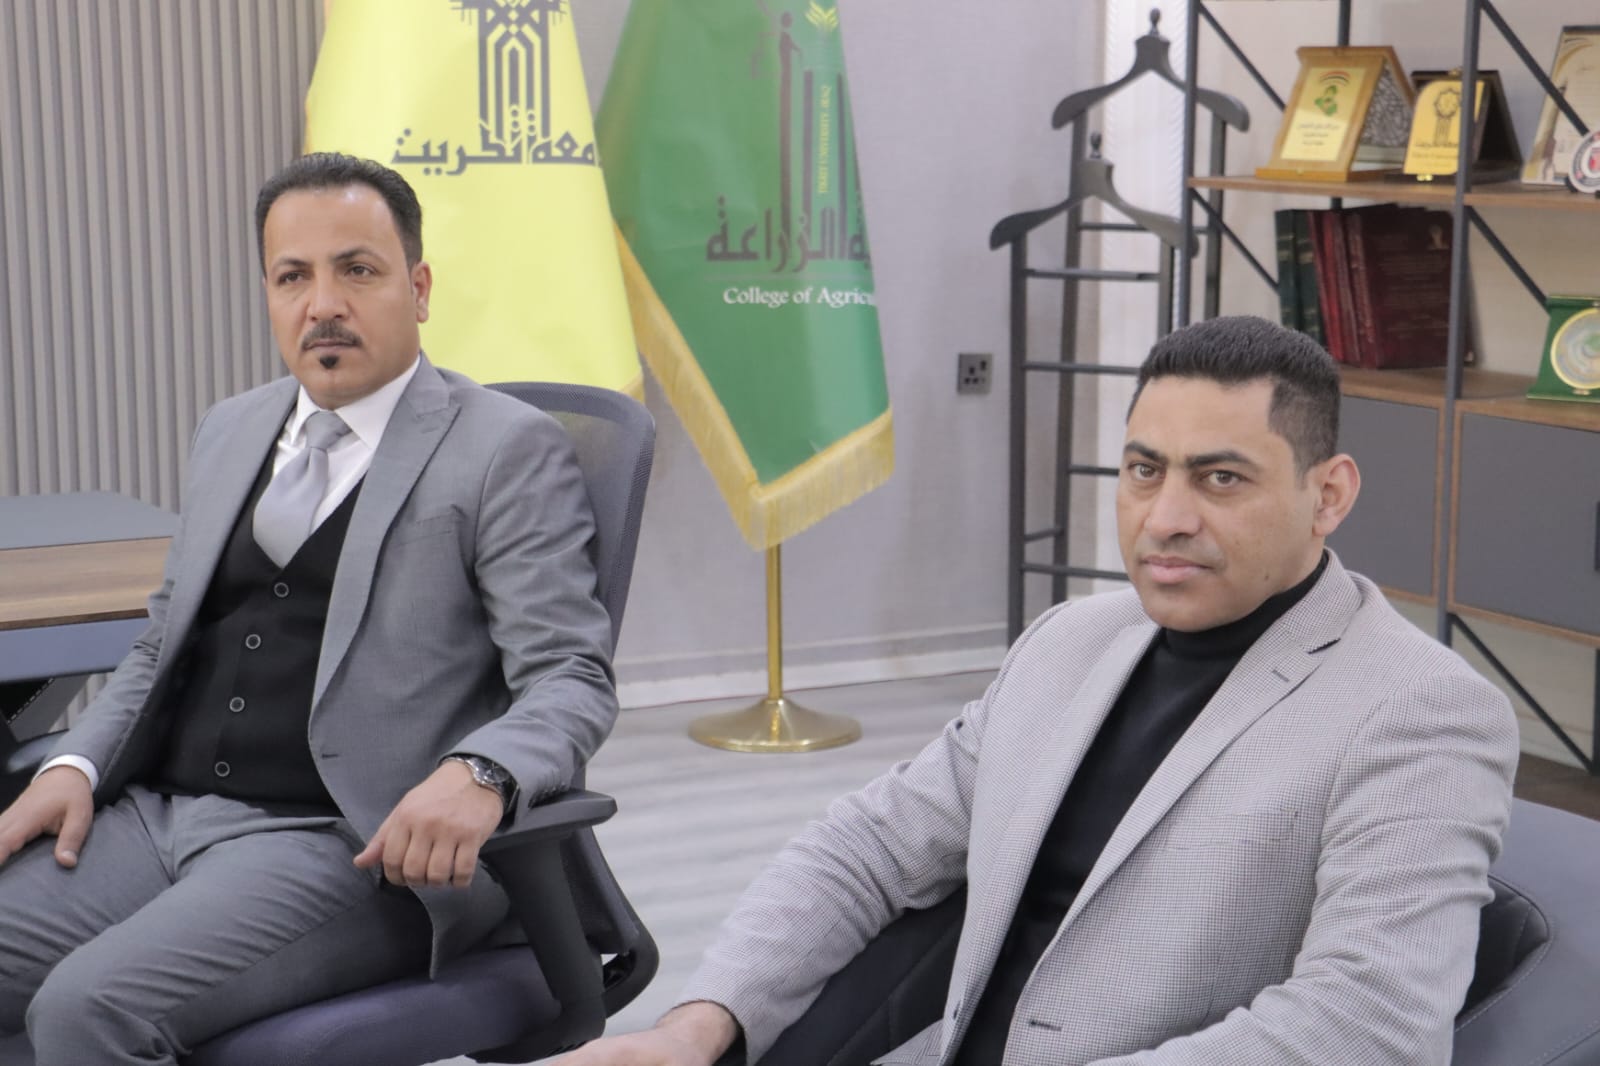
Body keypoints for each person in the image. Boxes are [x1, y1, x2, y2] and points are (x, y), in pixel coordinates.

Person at [565, 316, 1519, 1066]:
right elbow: (867, 848)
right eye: (1143, 471)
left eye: (1221, 479)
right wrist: (695, 1026)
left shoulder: (1420, 711)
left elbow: (1369, 1025)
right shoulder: (1071, 640)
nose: (1165, 517)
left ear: (1330, 494)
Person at [0, 152, 618, 1064]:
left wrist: (481, 773)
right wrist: (75, 765)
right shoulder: (231, 429)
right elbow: (162, 641)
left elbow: (570, 676)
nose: (322, 303)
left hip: (347, 846)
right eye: (293, 277)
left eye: (356, 270)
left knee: (87, 1013)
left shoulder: (502, 449)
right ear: (269, 293)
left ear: (418, 288)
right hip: (162, 816)